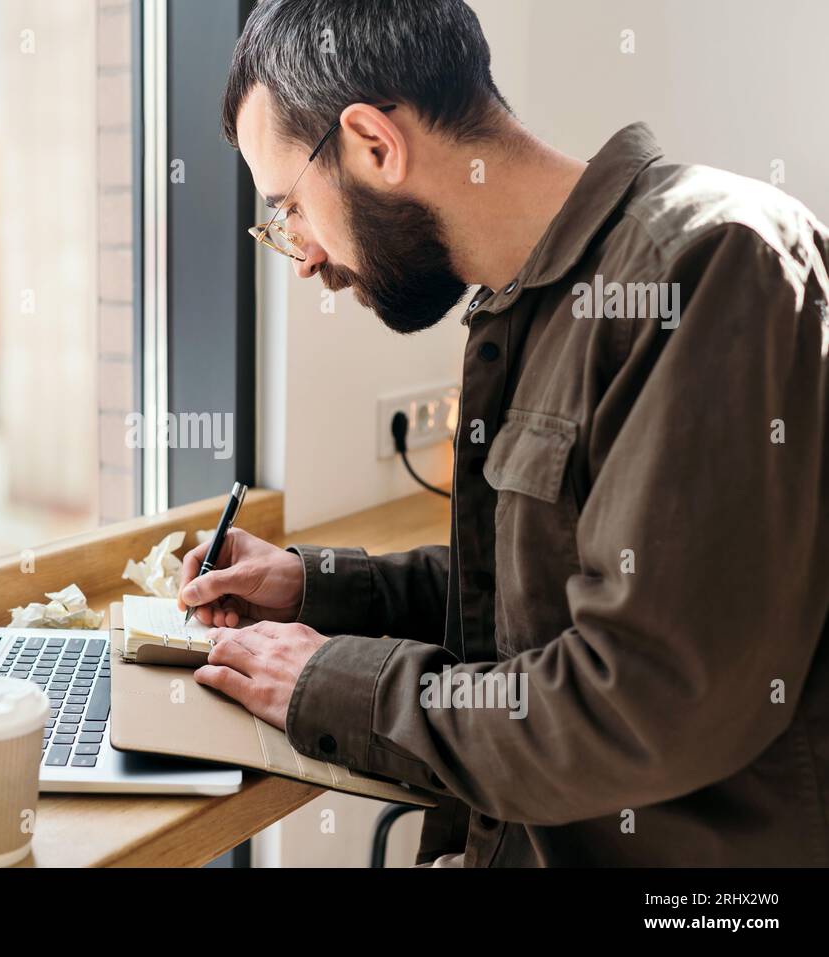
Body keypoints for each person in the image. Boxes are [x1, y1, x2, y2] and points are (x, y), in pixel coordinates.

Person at [179, 0, 829, 866]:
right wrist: (311, 587)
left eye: (288, 208)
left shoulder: (710, 267)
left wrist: (328, 683)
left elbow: (638, 706)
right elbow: (545, 587)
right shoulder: (524, 305)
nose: (301, 255)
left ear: (376, 142)